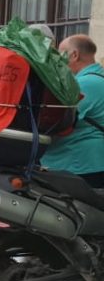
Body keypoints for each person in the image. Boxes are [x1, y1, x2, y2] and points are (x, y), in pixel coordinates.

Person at [42, 34, 104, 187]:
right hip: (89, 162)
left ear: (74, 55)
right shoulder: (99, 78)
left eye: (60, 55)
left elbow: (54, 120)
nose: (57, 61)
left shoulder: (84, 83)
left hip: (77, 164)